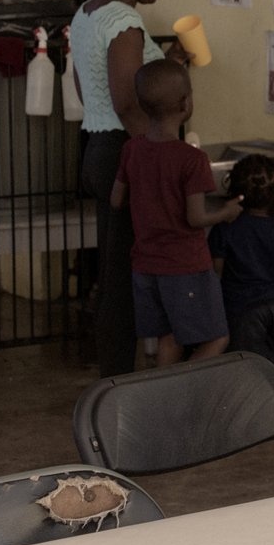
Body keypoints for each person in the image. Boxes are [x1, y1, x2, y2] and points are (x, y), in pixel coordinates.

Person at [69, 0, 187, 376]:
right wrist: (159, 160)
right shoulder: (125, 21)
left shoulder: (86, 14)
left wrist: (170, 64)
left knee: (115, 269)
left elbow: (86, 88)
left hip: (98, 149)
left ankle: (116, 374)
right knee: (123, 277)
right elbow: (128, 101)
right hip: (125, 150)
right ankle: (117, 379)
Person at [110, 60, 242, 368]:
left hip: (144, 265)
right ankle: (177, 388)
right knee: (217, 338)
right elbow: (195, 219)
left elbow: (116, 200)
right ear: (186, 103)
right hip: (185, 266)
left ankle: (151, 399)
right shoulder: (192, 159)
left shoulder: (132, 149)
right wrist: (225, 212)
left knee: (161, 337)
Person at [209, 154, 274, 367]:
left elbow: (216, 269)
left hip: (234, 305)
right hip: (269, 303)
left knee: (238, 360)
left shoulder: (224, 228)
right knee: (267, 358)